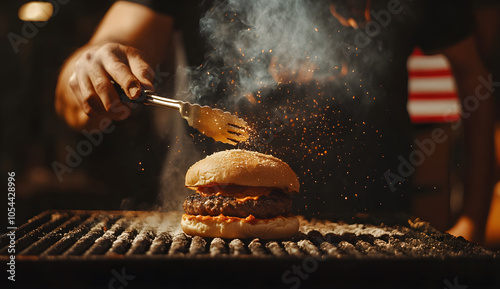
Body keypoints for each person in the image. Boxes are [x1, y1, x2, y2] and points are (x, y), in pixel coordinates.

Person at [55, 0, 495, 244]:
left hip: (377, 234)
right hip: (204, 244)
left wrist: (474, 217)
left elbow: (474, 76)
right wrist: (88, 70)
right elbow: (74, 98)